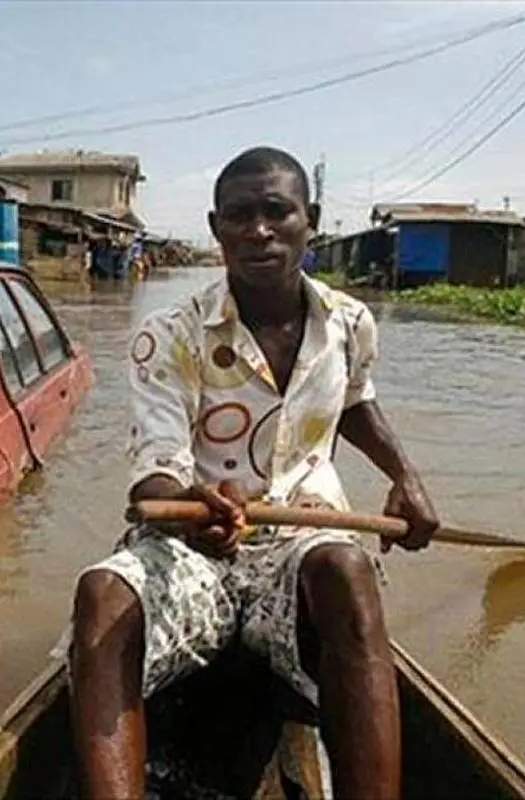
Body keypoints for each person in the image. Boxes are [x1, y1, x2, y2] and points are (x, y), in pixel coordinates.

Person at [61, 146, 440, 800]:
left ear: (309, 220)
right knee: (101, 596)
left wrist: (405, 475)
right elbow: (155, 472)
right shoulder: (169, 334)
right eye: (239, 216)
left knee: (349, 575)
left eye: (276, 212)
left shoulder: (350, 323)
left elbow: (353, 400)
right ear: (216, 228)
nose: (258, 230)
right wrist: (192, 506)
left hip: (300, 548)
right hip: (194, 555)